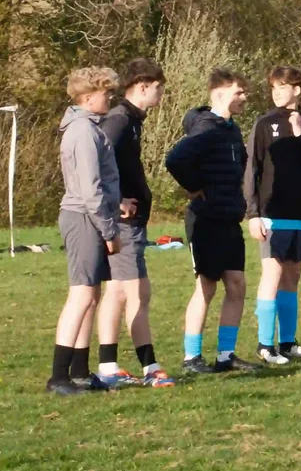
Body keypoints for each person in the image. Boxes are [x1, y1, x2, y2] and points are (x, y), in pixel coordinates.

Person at [165, 68, 255, 375]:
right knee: (206, 286)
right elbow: (175, 159)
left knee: (237, 284)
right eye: (239, 92)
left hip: (229, 218)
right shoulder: (205, 127)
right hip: (205, 219)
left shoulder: (232, 129)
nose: (245, 97)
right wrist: (194, 187)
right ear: (219, 94)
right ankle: (192, 358)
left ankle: (226, 355)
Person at [93, 58, 173, 389]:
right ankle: (143, 366)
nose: (161, 94)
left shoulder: (133, 120)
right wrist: (116, 201)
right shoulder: (120, 120)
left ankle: (114, 364)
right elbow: (94, 160)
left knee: (124, 292)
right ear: (142, 86)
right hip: (123, 223)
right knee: (133, 292)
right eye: (159, 88)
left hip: (132, 223)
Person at [243, 66, 301, 366]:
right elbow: (252, 169)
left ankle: (288, 343)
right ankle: (265, 346)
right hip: (271, 213)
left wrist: (299, 136)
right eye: (274, 87)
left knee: (292, 276)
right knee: (273, 273)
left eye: (283, 86)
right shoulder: (264, 124)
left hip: (300, 213)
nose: (277, 92)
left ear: (298, 90)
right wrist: (252, 213)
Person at [47, 65, 121, 395]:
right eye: (107, 93)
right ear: (88, 97)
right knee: (80, 296)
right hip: (83, 218)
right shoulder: (83, 132)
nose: (110, 98)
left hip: (90, 216)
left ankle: (79, 372)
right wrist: (108, 230)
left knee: (91, 295)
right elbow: (90, 190)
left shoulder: (90, 128)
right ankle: (58, 377)